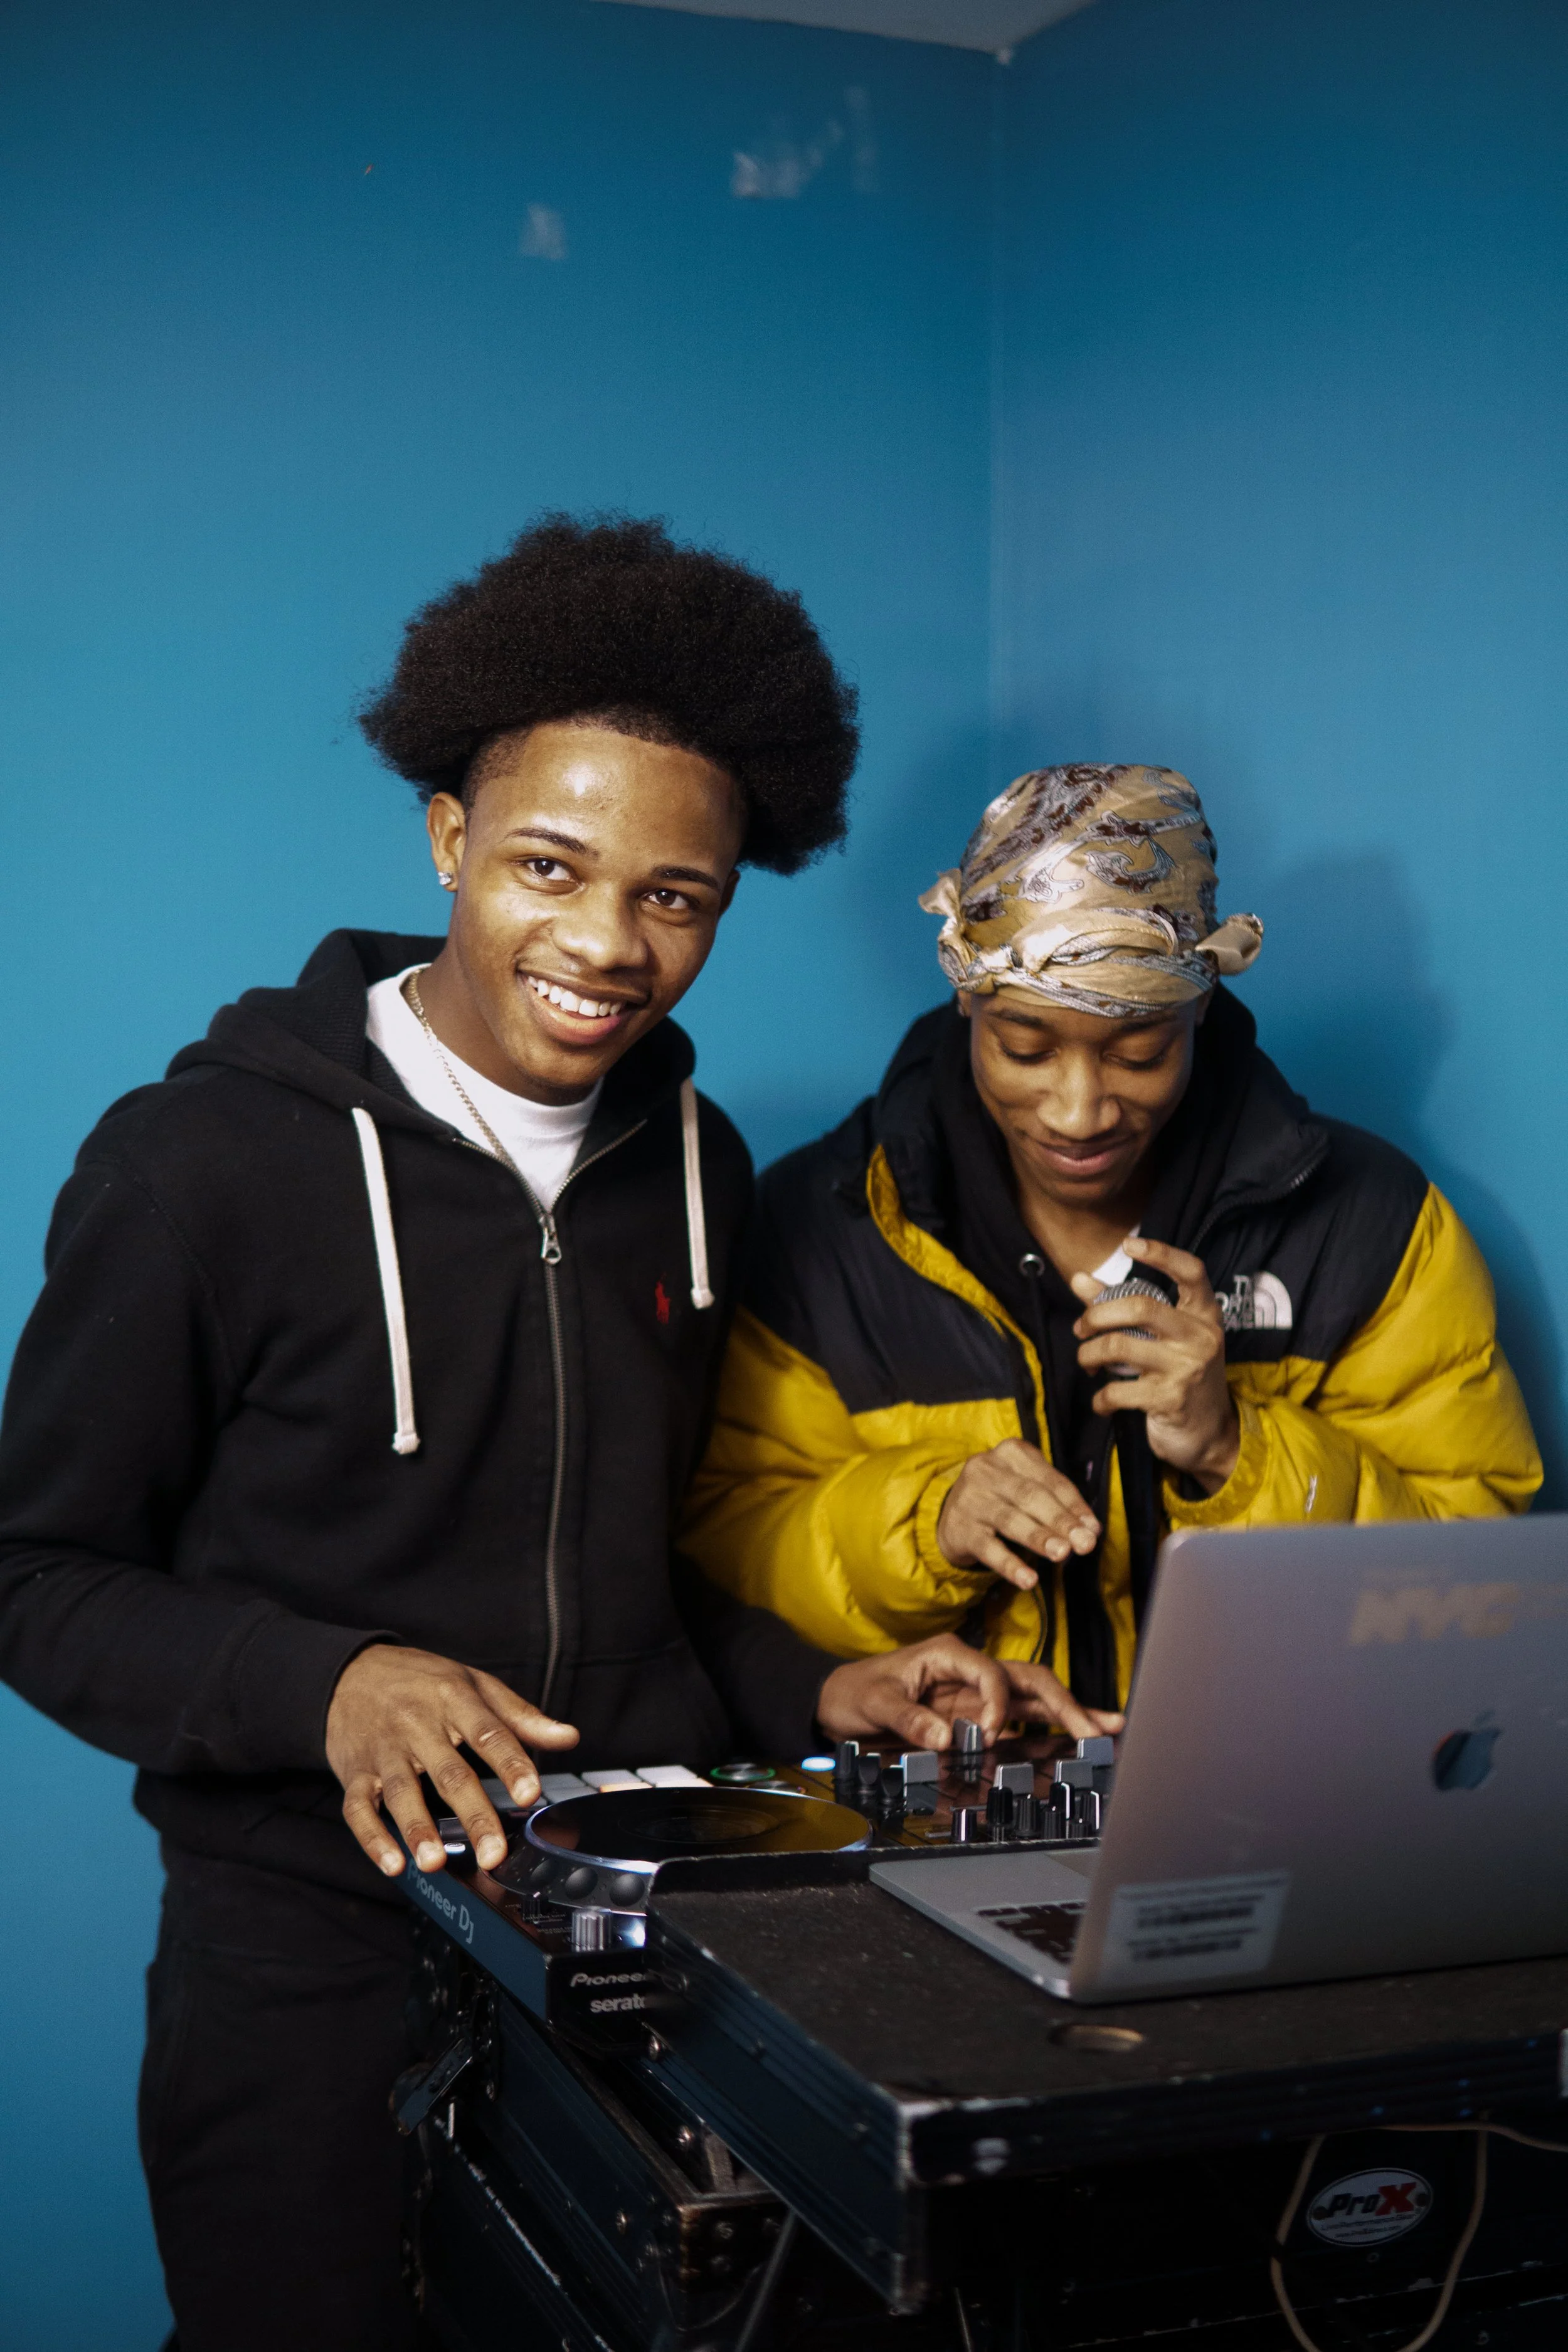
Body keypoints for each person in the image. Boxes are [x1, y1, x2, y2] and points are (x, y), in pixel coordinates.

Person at [0, 516, 1051, 2352]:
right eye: (550, 865)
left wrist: (825, 1683)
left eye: (677, 895)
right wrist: (323, 1683)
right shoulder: (200, 1162)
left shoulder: (700, 1168)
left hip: (643, 1929)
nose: (605, 941)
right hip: (305, 1955)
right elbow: (31, 1573)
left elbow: (630, 1573)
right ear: (448, 840)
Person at [680, 762, 1541, 1715]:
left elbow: (1476, 1593)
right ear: (965, 994)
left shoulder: (1369, 1223)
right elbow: (726, 1550)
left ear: (1201, 1006)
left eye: (1140, 1052)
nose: (1080, 1110)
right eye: (1026, 1047)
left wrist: (1234, 1447)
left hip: (1263, 1810)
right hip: (948, 1809)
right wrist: (929, 1520)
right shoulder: (827, 1222)